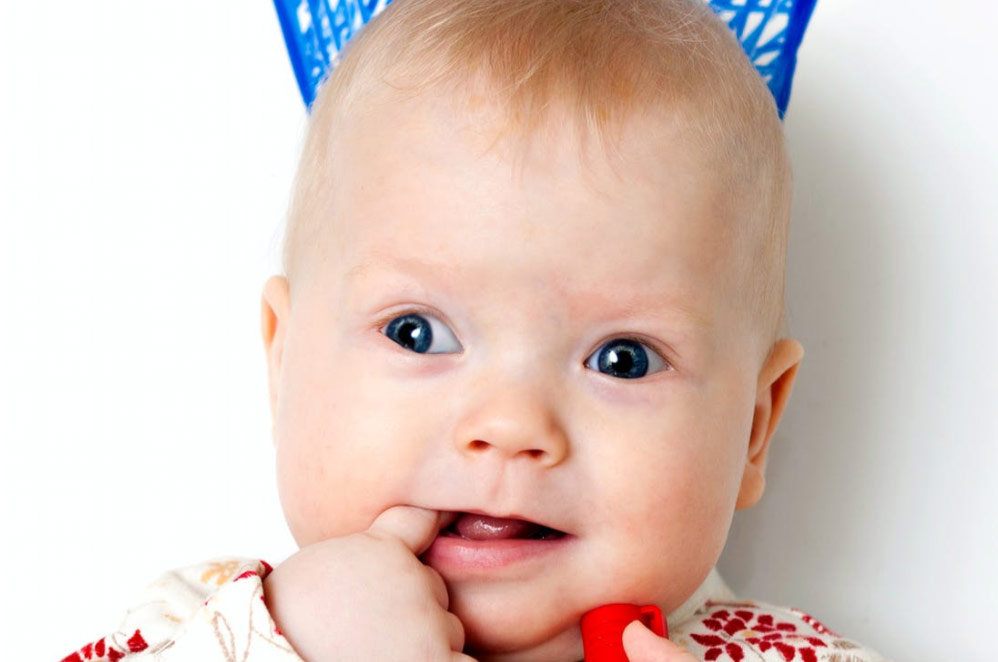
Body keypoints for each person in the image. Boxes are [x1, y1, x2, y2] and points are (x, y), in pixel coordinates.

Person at [59, 0, 887, 660]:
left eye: (622, 358)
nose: (510, 425)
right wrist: (292, 647)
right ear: (284, 365)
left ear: (753, 426)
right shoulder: (206, 629)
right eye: (416, 333)